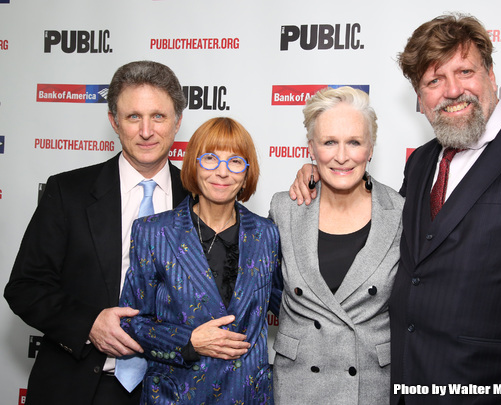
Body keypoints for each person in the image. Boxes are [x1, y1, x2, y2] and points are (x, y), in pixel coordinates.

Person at [291, 14, 501, 405]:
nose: (452, 91)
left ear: (490, 72)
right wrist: (322, 176)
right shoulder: (421, 162)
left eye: (464, 71)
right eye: (434, 81)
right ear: (421, 98)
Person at [4, 60, 188, 405]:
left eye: (158, 117)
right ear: (113, 121)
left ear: (177, 121)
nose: (146, 131)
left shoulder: (199, 199)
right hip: (79, 387)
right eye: (133, 117)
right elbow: (25, 287)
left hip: (170, 390)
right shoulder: (67, 192)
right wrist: (88, 324)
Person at [119, 117, 281, 404]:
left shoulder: (267, 234)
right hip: (176, 395)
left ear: (246, 173)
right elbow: (130, 323)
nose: (222, 172)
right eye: (210, 159)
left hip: (248, 395)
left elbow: (292, 305)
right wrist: (189, 341)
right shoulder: (153, 232)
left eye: (235, 162)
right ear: (194, 165)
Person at [271, 86, 404, 404]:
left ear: (370, 148)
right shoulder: (283, 209)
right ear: (311, 148)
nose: (341, 156)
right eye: (329, 142)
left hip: (372, 387)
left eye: (354, 142)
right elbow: (261, 292)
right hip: (297, 386)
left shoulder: (402, 214)